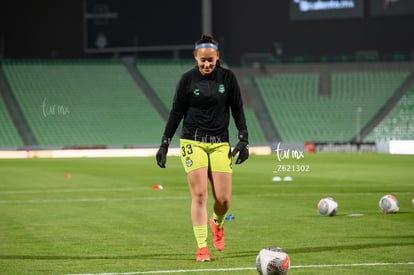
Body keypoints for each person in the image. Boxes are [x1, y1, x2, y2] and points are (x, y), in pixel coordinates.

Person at [156, 34, 249, 262]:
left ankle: (217, 224)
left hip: (219, 144)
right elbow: (176, 112)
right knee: (199, 195)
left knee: (224, 200)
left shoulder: (227, 78)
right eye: (202, 60)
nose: (207, 64)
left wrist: (243, 139)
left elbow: (237, 109)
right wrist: (165, 142)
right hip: (192, 141)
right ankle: (202, 248)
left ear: (218, 57)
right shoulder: (187, 80)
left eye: (211, 60)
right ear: (196, 57)